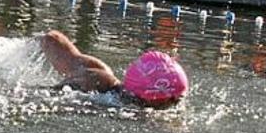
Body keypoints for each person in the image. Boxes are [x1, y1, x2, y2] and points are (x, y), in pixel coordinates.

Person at [41, 30, 188, 108]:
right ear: (149, 96)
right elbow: (42, 95)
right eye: (171, 101)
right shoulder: (93, 84)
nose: (175, 104)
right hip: (91, 81)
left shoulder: (105, 77)